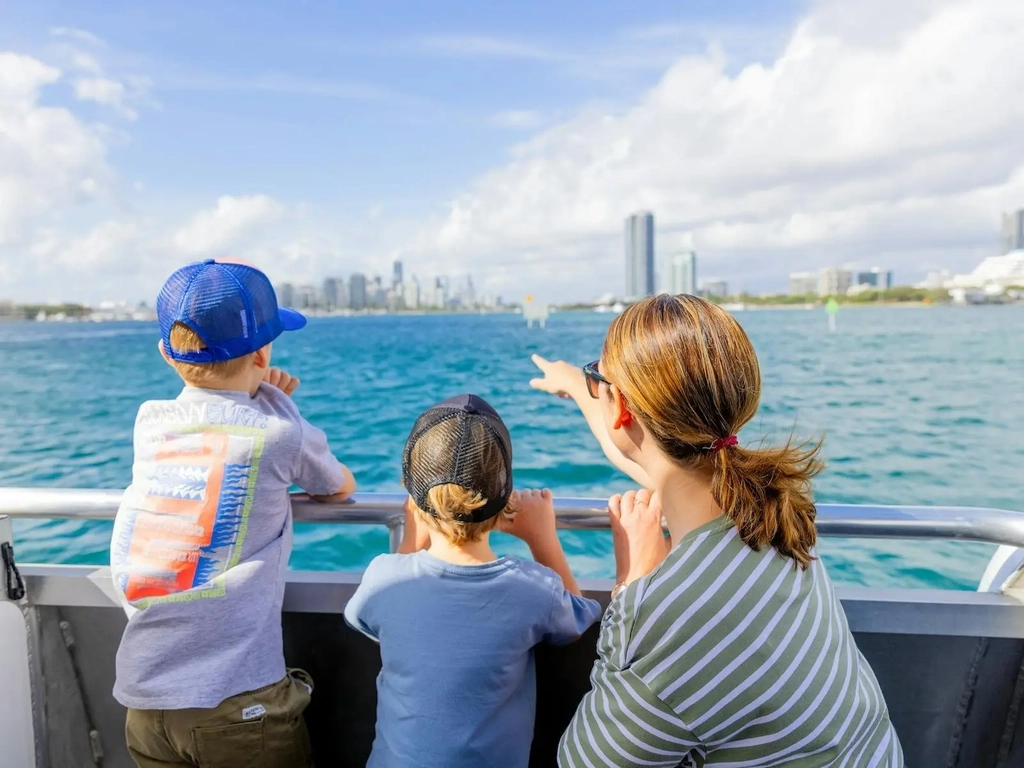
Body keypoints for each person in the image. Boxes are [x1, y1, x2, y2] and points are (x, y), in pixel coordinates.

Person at [531, 294, 904, 767]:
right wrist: (581, 385)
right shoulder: (772, 505)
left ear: (621, 406)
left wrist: (633, 584)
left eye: (597, 378)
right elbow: (641, 452)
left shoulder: (668, 613)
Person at [110, 259, 356, 768]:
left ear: (165, 353)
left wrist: (257, 393)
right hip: (236, 704)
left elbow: (213, 422)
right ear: (264, 352)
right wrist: (274, 400)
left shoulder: (151, 424)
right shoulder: (278, 431)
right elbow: (336, 485)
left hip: (145, 702)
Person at [343, 394, 602, 768]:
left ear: (412, 498)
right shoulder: (532, 589)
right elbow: (577, 620)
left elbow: (363, 618)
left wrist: (409, 541)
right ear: (504, 499)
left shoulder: (385, 577)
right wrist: (542, 537)